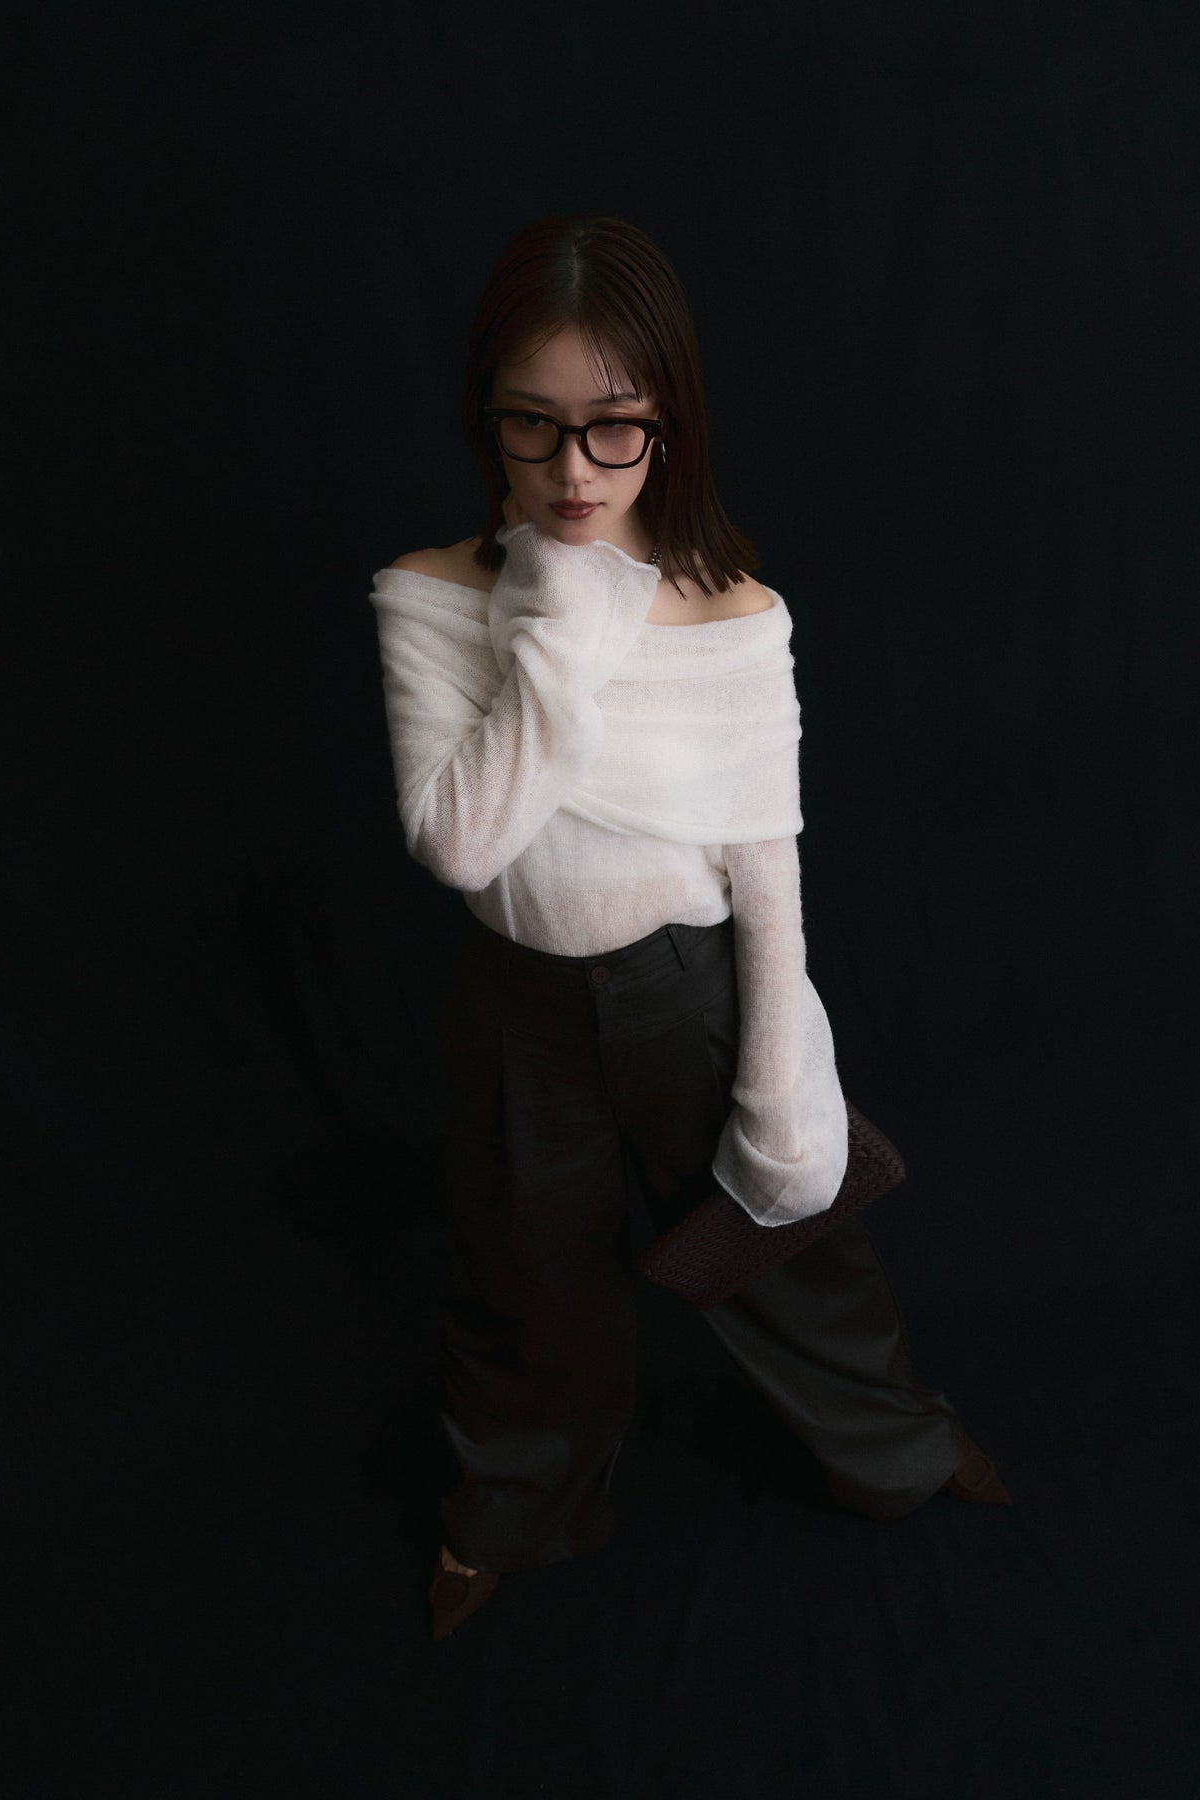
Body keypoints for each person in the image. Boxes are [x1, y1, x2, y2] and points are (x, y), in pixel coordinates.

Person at [367, 213, 1011, 1642]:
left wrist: (784, 1080)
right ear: (487, 419)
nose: (573, 471)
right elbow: (459, 841)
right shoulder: (429, 595)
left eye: (615, 429)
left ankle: (899, 1451)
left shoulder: (737, 611)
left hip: (692, 991)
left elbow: (766, 860)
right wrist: (566, 605)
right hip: (519, 1006)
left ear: (669, 421)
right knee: (524, 1282)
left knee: (799, 1252)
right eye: (533, 427)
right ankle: (502, 1517)